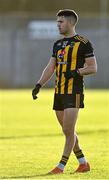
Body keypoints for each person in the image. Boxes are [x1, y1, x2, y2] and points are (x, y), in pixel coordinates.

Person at [32, 9, 97, 174]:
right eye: (57, 22)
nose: (58, 25)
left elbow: (93, 67)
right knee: (68, 131)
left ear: (70, 22)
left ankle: (61, 166)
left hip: (73, 91)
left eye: (61, 22)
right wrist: (39, 84)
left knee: (69, 130)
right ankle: (83, 162)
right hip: (58, 92)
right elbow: (51, 67)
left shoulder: (83, 42)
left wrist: (76, 72)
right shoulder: (58, 44)